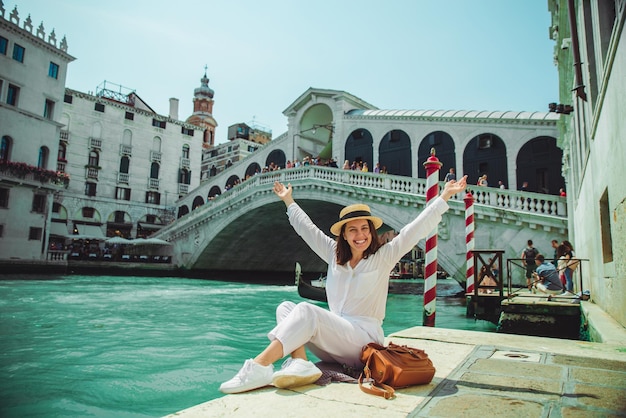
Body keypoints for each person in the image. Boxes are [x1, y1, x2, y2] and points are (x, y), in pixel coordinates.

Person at [219, 176, 468, 394]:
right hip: (337, 338)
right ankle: (301, 363)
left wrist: (444, 196)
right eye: (353, 230)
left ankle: (260, 366)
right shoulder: (332, 253)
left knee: (306, 311)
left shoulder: (383, 257)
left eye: (364, 229)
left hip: (364, 342)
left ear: (370, 232)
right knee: (285, 307)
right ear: (344, 235)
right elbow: (307, 230)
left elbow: (415, 230)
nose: (360, 236)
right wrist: (288, 201)